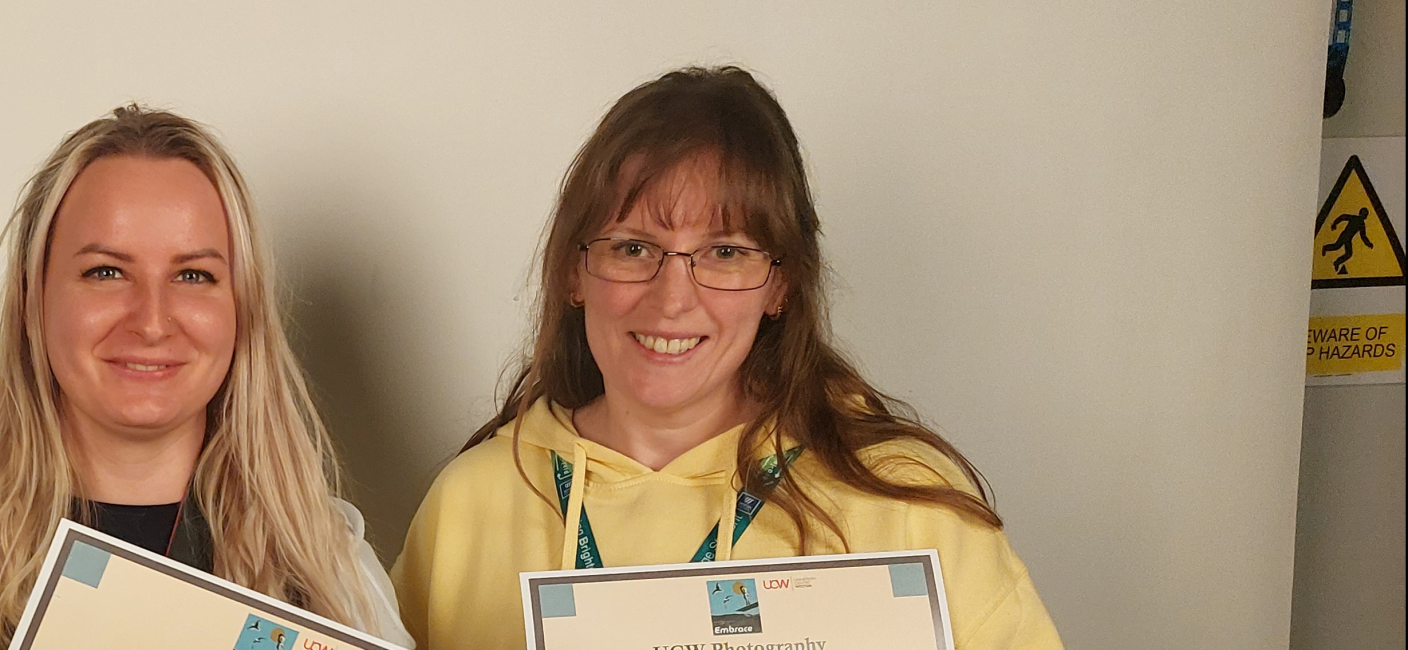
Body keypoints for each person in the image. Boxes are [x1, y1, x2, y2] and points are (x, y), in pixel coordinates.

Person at [391, 67, 1061, 650]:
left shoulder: (907, 501)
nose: (672, 300)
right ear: (574, 271)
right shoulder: (469, 504)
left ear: (780, 284)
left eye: (724, 252)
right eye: (632, 248)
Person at [0, 106, 413, 650]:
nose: (152, 321)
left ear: (243, 309)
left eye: (194, 275)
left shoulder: (333, 573)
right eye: (106, 272)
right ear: (33, 299)